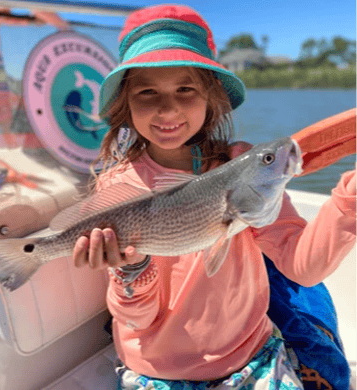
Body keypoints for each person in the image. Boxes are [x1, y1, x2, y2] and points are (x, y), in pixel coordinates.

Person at [72, 5, 356, 389]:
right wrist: (131, 269)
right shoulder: (117, 186)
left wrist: (347, 202)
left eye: (185, 89)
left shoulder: (244, 164)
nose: (168, 107)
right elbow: (136, 318)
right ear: (126, 103)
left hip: (250, 357)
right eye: (147, 92)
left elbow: (301, 267)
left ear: (211, 97)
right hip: (156, 370)